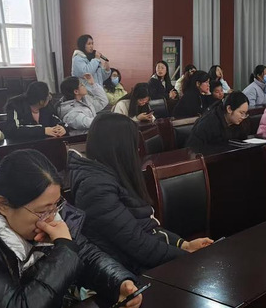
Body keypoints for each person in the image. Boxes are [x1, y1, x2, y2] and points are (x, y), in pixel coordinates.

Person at [0, 149, 142, 308]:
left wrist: (119, 281)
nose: (51, 217)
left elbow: (86, 253)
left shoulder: (46, 213)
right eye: (42, 211)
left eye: (56, 206)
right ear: (3, 205)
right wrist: (64, 250)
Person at [69, 113, 213, 274]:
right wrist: (187, 257)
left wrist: (184, 245)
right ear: (118, 147)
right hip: (127, 273)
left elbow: (146, 225)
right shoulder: (95, 188)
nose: (137, 150)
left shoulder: (110, 175)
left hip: (138, 264)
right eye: (134, 145)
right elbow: (139, 246)